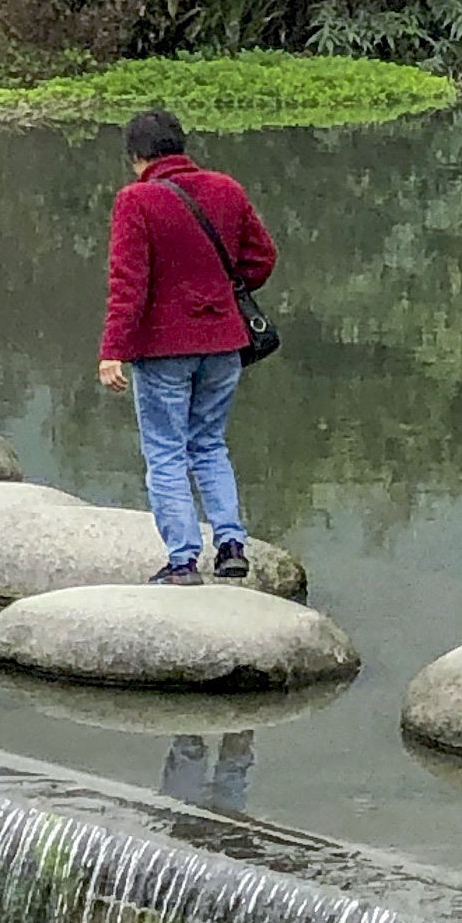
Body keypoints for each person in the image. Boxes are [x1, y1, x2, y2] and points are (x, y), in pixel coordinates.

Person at [99, 105, 277, 584]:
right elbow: (262, 256)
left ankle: (182, 561)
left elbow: (128, 283)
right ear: (180, 145)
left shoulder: (136, 201)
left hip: (162, 349)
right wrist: (223, 290)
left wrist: (113, 348)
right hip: (223, 343)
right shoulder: (226, 189)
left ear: (136, 156)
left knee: (165, 451)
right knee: (209, 444)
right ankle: (231, 546)